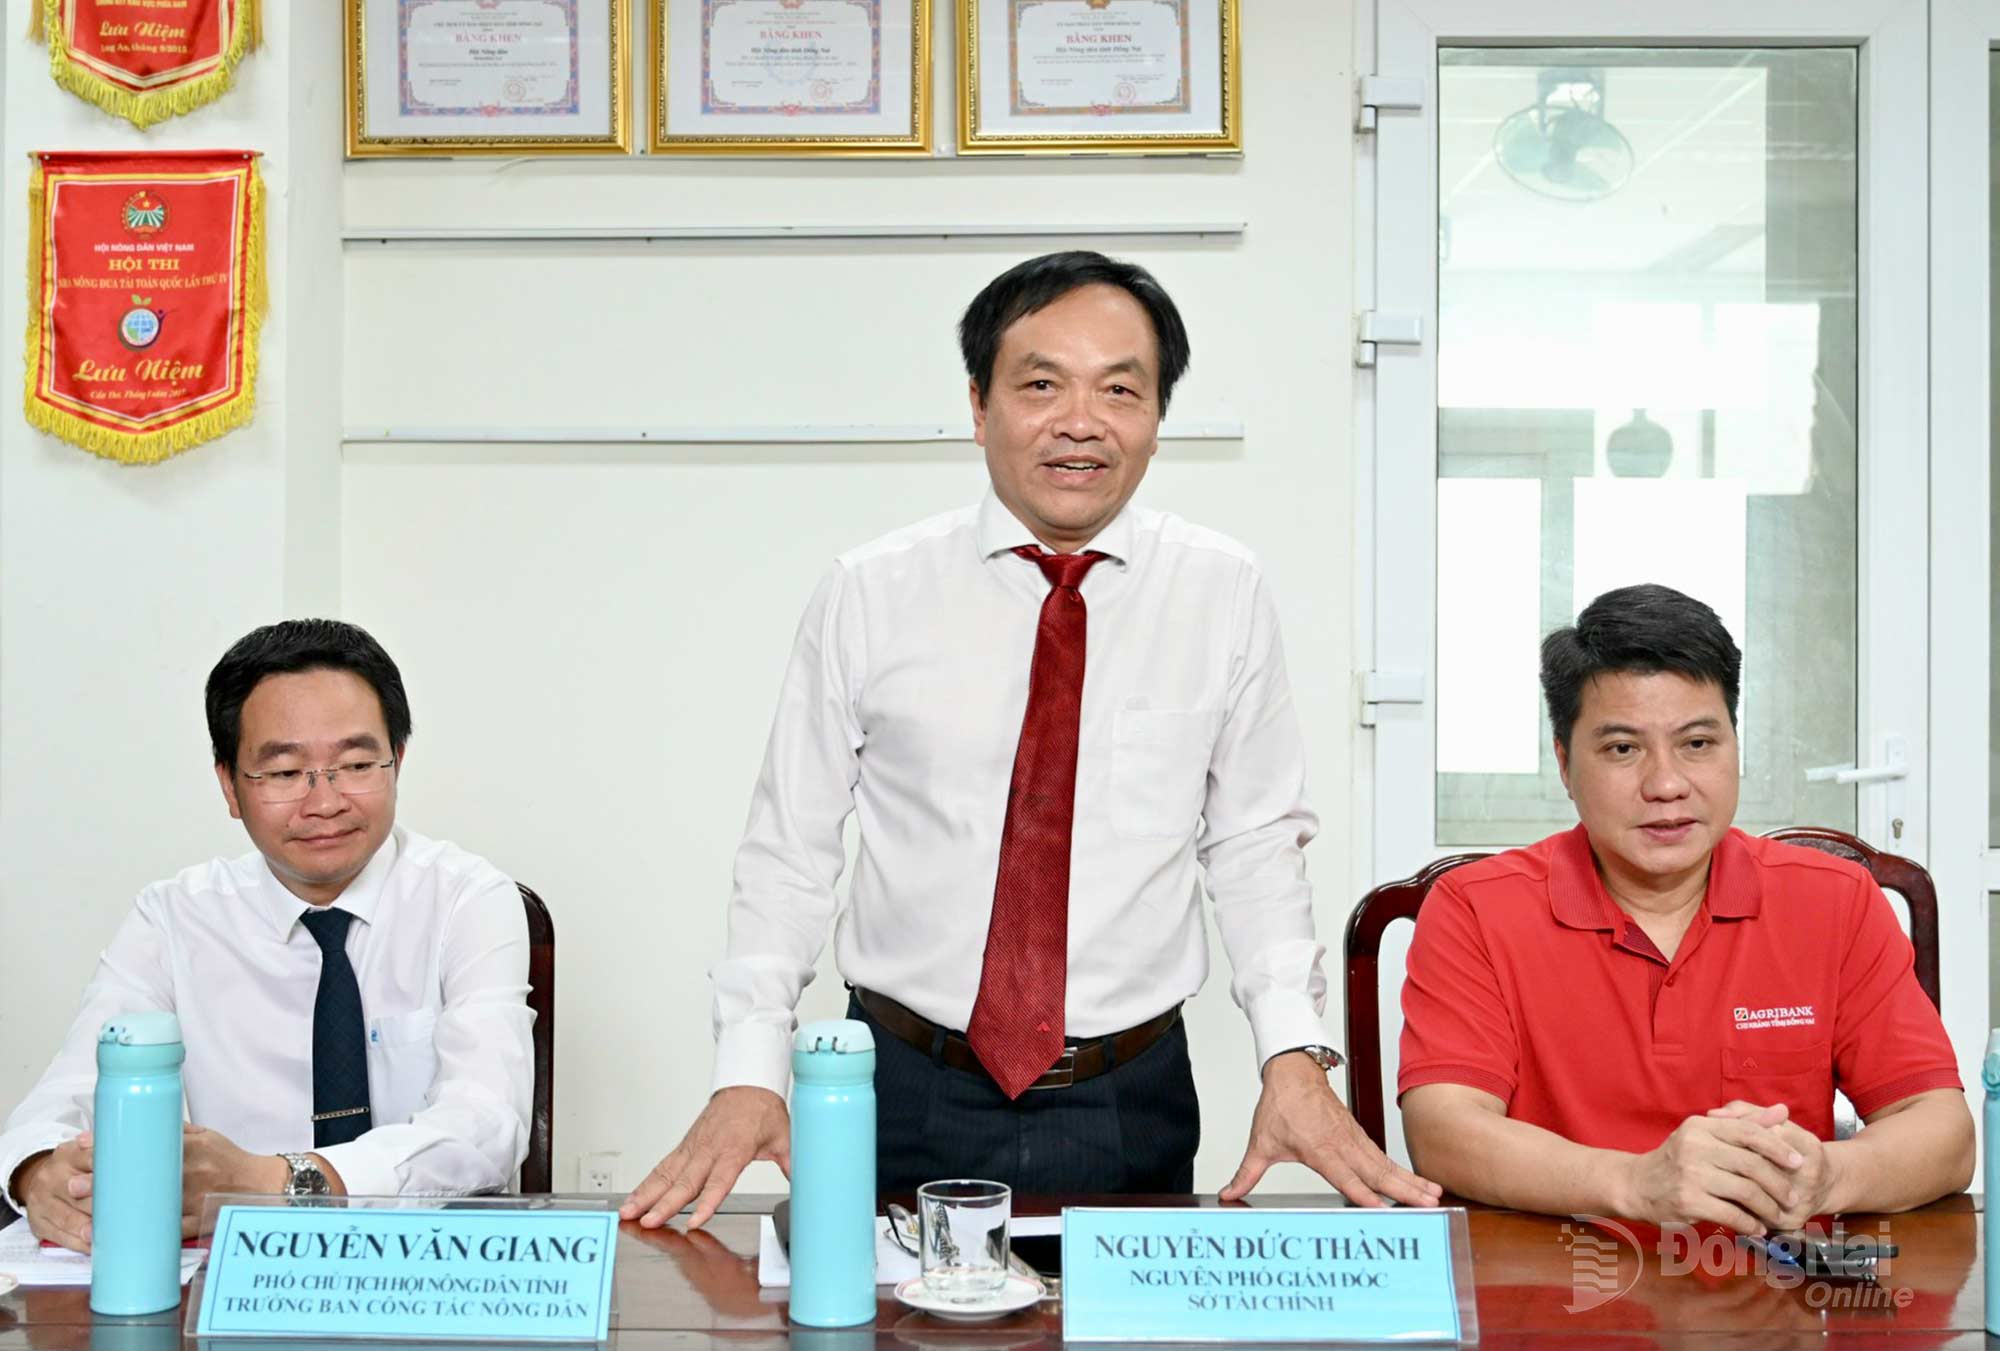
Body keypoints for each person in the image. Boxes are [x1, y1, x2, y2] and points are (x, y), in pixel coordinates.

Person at [625, 250, 1441, 1229]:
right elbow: (788, 852)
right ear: (979, 406)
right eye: (1041, 384)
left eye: (1119, 390)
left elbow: (1255, 846)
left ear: (1156, 418)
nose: (1080, 422)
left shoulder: (1220, 591)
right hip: (904, 1086)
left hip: (1128, 1095)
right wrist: (749, 1070)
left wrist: (1292, 1053)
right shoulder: (869, 591)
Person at [1398, 584, 1973, 1233]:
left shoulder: (1834, 900)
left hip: (1772, 1280)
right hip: (1559, 1274)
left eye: (1698, 743)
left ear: (1735, 743)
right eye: (1623, 749)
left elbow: (1942, 1131)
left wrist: (1829, 1175)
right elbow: (1442, 1131)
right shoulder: (1476, 909)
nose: (1667, 784)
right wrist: (1635, 1184)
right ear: (1564, 762)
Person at [1, 620, 533, 1250]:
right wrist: (40, 1174)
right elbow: (66, 1097)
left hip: (421, 1260)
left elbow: (486, 1122)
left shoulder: (467, 899)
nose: (325, 802)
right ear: (229, 785)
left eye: (356, 764)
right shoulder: (173, 917)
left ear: (398, 761)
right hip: (227, 1269)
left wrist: (273, 1181)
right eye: (283, 773)